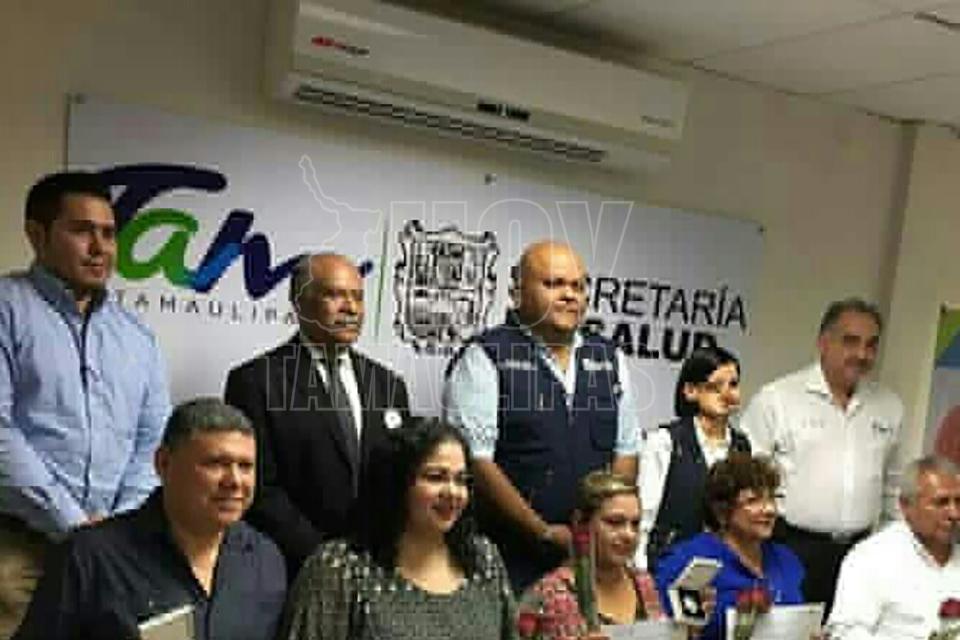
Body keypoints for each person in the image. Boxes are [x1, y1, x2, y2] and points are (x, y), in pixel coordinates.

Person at [0, 171, 171, 638]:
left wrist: (117, 528)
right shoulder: (7, 308)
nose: (99, 248)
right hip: (21, 547)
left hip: (115, 549)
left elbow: (153, 441)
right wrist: (74, 524)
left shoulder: (137, 336)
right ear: (37, 235)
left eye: (109, 234)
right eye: (81, 231)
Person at [444, 240, 641, 591]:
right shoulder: (486, 356)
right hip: (508, 560)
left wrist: (605, 527)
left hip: (588, 562)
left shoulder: (608, 357)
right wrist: (543, 532)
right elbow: (476, 461)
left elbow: (626, 450)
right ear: (517, 293)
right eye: (553, 284)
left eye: (578, 286)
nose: (569, 295)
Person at [13, 398, 286, 640]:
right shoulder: (90, 558)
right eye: (215, 464)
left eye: (245, 466)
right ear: (163, 464)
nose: (234, 481)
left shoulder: (265, 561)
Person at [224, 252, 411, 576]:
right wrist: (324, 558)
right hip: (290, 570)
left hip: (375, 570)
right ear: (300, 303)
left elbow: (400, 480)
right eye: (335, 295)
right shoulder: (255, 381)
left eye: (358, 297)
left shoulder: (388, 385)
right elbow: (259, 489)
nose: (351, 308)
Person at [278, 419, 516, 640]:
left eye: (462, 480)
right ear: (398, 483)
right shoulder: (340, 569)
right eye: (436, 477)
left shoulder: (484, 560)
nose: (453, 492)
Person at [740, 298, 903, 616]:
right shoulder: (778, 399)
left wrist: (888, 550)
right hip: (788, 549)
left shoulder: (889, 406)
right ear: (823, 343)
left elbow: (893, 489)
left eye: (871, 345)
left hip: (860, 553)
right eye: (850, 341)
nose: (862, 354)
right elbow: (745, 481)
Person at [655, 454, 805, 640]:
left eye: (772, 498)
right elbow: (666, 632)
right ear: (721, 510)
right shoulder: (686, 562)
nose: (769, 510)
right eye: (753, 500)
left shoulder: (786, 559)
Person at [639, 347, 750, 569]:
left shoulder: (742, 446)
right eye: (715, 387)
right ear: (690, 391)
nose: (727, 394)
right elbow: (644, 517)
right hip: (667, 563)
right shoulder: (665, 442)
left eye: (733, 385)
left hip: (722, 566)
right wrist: (640, 571)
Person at [827, 455, 960, 640]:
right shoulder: (871, 558)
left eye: (959, 502)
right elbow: (845, 632)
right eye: (941, 502)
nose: (954, 513)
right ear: (906, 506)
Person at [525, 470, 667, 640]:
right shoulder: (549, 595)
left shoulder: (644, 583)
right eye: (615, 522)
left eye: (635, 524)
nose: (629, 534)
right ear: (580, 522)